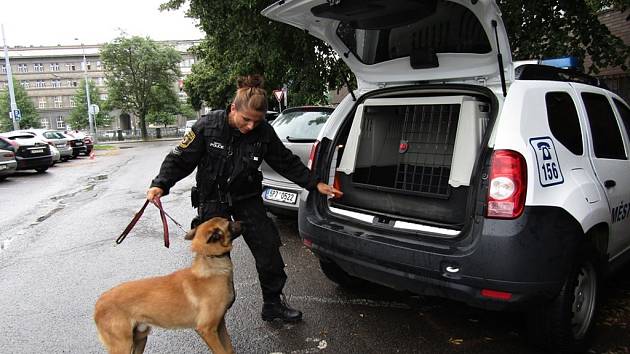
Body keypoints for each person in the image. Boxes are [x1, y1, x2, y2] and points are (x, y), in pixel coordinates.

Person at [146, 74, 342, 322]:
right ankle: (214, 308)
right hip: (212, 200)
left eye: (256, 121)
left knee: (268, 250)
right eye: (246, 119)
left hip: (247, 198)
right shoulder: (208, 127)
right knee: (215, 259)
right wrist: (160, 184)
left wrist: (315, 184)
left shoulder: (263, 132)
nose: (251, 126)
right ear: (233, 108)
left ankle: (273, 305)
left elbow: (285, 161)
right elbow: (179, 159)